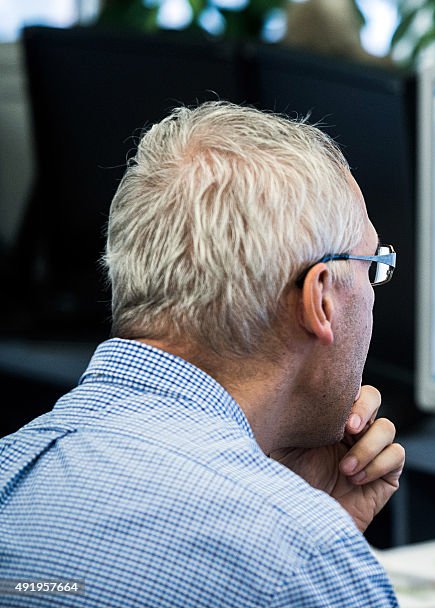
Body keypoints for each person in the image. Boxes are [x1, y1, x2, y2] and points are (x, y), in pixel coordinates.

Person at [0, 102, 404, 606]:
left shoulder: (11, 471)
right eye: (372, 266)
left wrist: (300, 506)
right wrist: (311, 543)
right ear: (320, 299)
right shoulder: (300, 557)